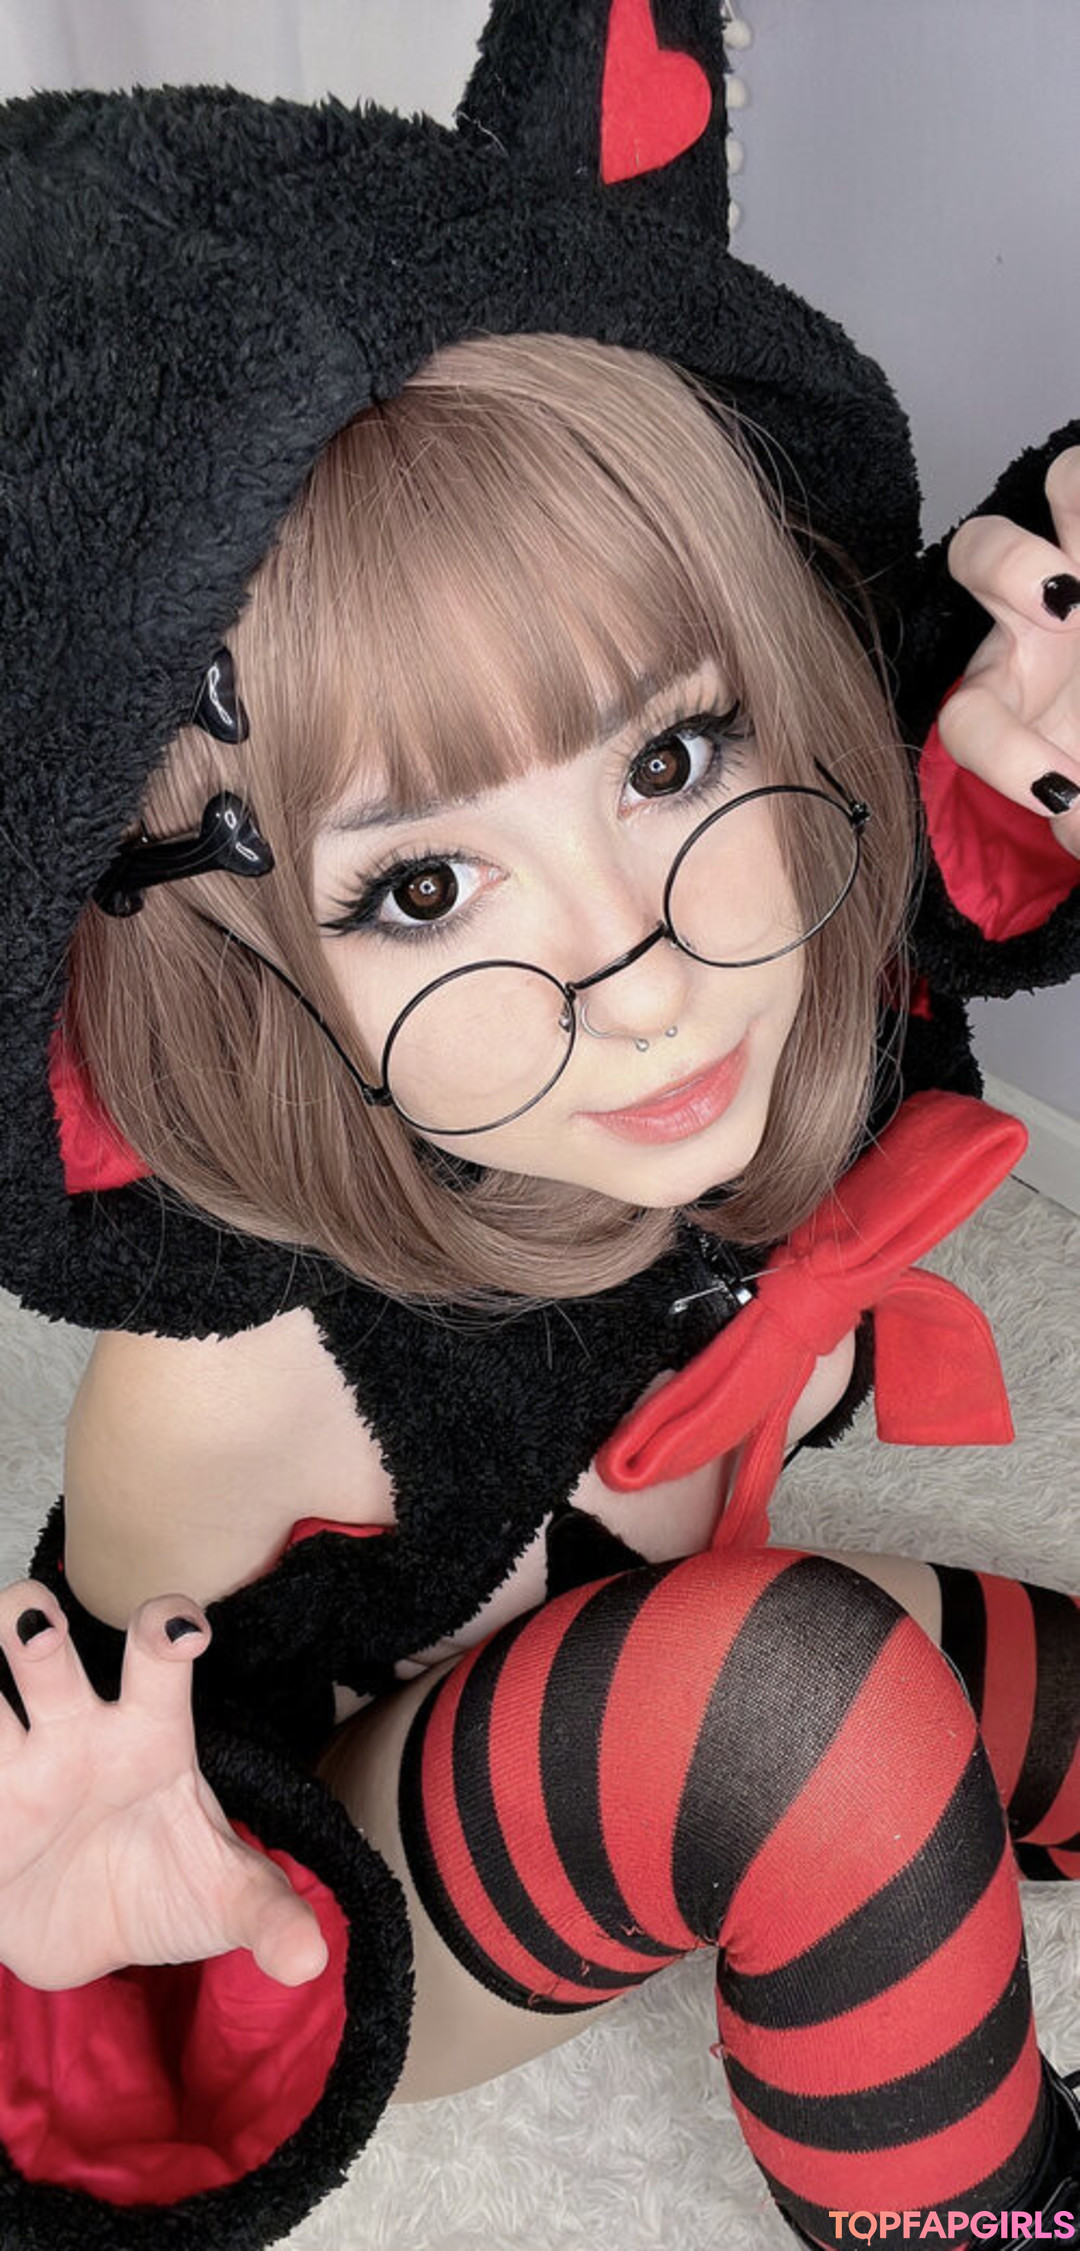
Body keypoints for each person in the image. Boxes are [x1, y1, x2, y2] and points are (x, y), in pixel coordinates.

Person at [0, 6, 1078, 2247]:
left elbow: (937, 844)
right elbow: (103, 1813)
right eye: (420, 889)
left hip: (650, 1593)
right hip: (388, 1841)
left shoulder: (765, 920)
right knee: (802, 1704)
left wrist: (1023, 726)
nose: (645, 967)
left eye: (668, 759)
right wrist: (135, 1981)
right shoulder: (237, 1380)